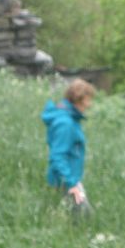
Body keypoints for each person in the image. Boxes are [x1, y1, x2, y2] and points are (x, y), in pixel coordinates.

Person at [42, 78, 96, 213]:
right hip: (66, 181)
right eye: (88, 100)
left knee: (82, 217)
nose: (89, 104)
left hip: (70, 179)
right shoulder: (65, 123)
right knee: (84, 217)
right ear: (79, 99)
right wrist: (72, 184)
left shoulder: (70, 119)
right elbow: (57, 156)